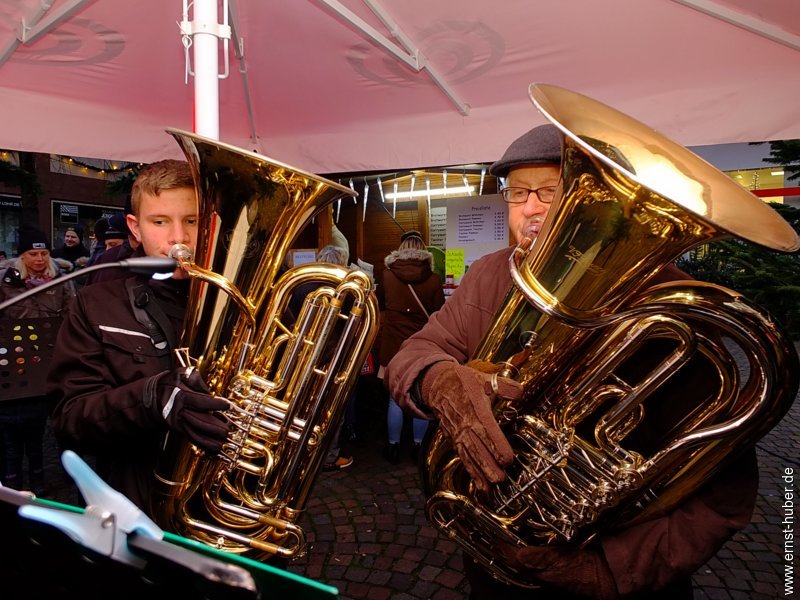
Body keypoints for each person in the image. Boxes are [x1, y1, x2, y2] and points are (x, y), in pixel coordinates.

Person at [386, 124, 758, 599]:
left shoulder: (670, 303)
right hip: (496, 561)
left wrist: (604, 572)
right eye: (518, 193)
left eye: (551, 190)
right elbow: (413, 353)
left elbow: (723, 495)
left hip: (616, 578)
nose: (532, 207)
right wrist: (437, 378)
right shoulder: (488, 275)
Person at [47, 159, 230, 512]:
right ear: (135, 228)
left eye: (192, 220)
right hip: (139, 506)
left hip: (229, 503)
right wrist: (151, 398)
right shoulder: (95, 303)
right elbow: (69, 419)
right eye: (159, 222)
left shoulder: (243, 300)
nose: (179, 238)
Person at [0, 226, 75, 494]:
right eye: (33, 254)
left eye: (44, 253)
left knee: (46, 424)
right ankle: (12, 480)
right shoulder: (4, 282)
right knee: (14, 428)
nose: (40, 259)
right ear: (22, 256)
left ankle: (45, 475)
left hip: (50, 361)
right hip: (15, 366)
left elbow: (71, 317)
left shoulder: (61, 281)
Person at [377, 231, 444, 464]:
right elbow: (438, 313)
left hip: (393, 345)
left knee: (394, 399)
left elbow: (382, 305)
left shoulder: (387, 276)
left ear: (401, 248)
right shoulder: (434, 279)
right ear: (423, 249)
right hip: (420, 346)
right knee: (420, 398)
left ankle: (394, 446)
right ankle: (418, 446)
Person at [288, 243, 356, 471]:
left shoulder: (301, 285)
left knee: (302, 403)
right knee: (330, 406)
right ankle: (329, 455)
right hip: (332, 352)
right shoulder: (345, 289)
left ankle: (299, 453)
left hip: (304, 352)